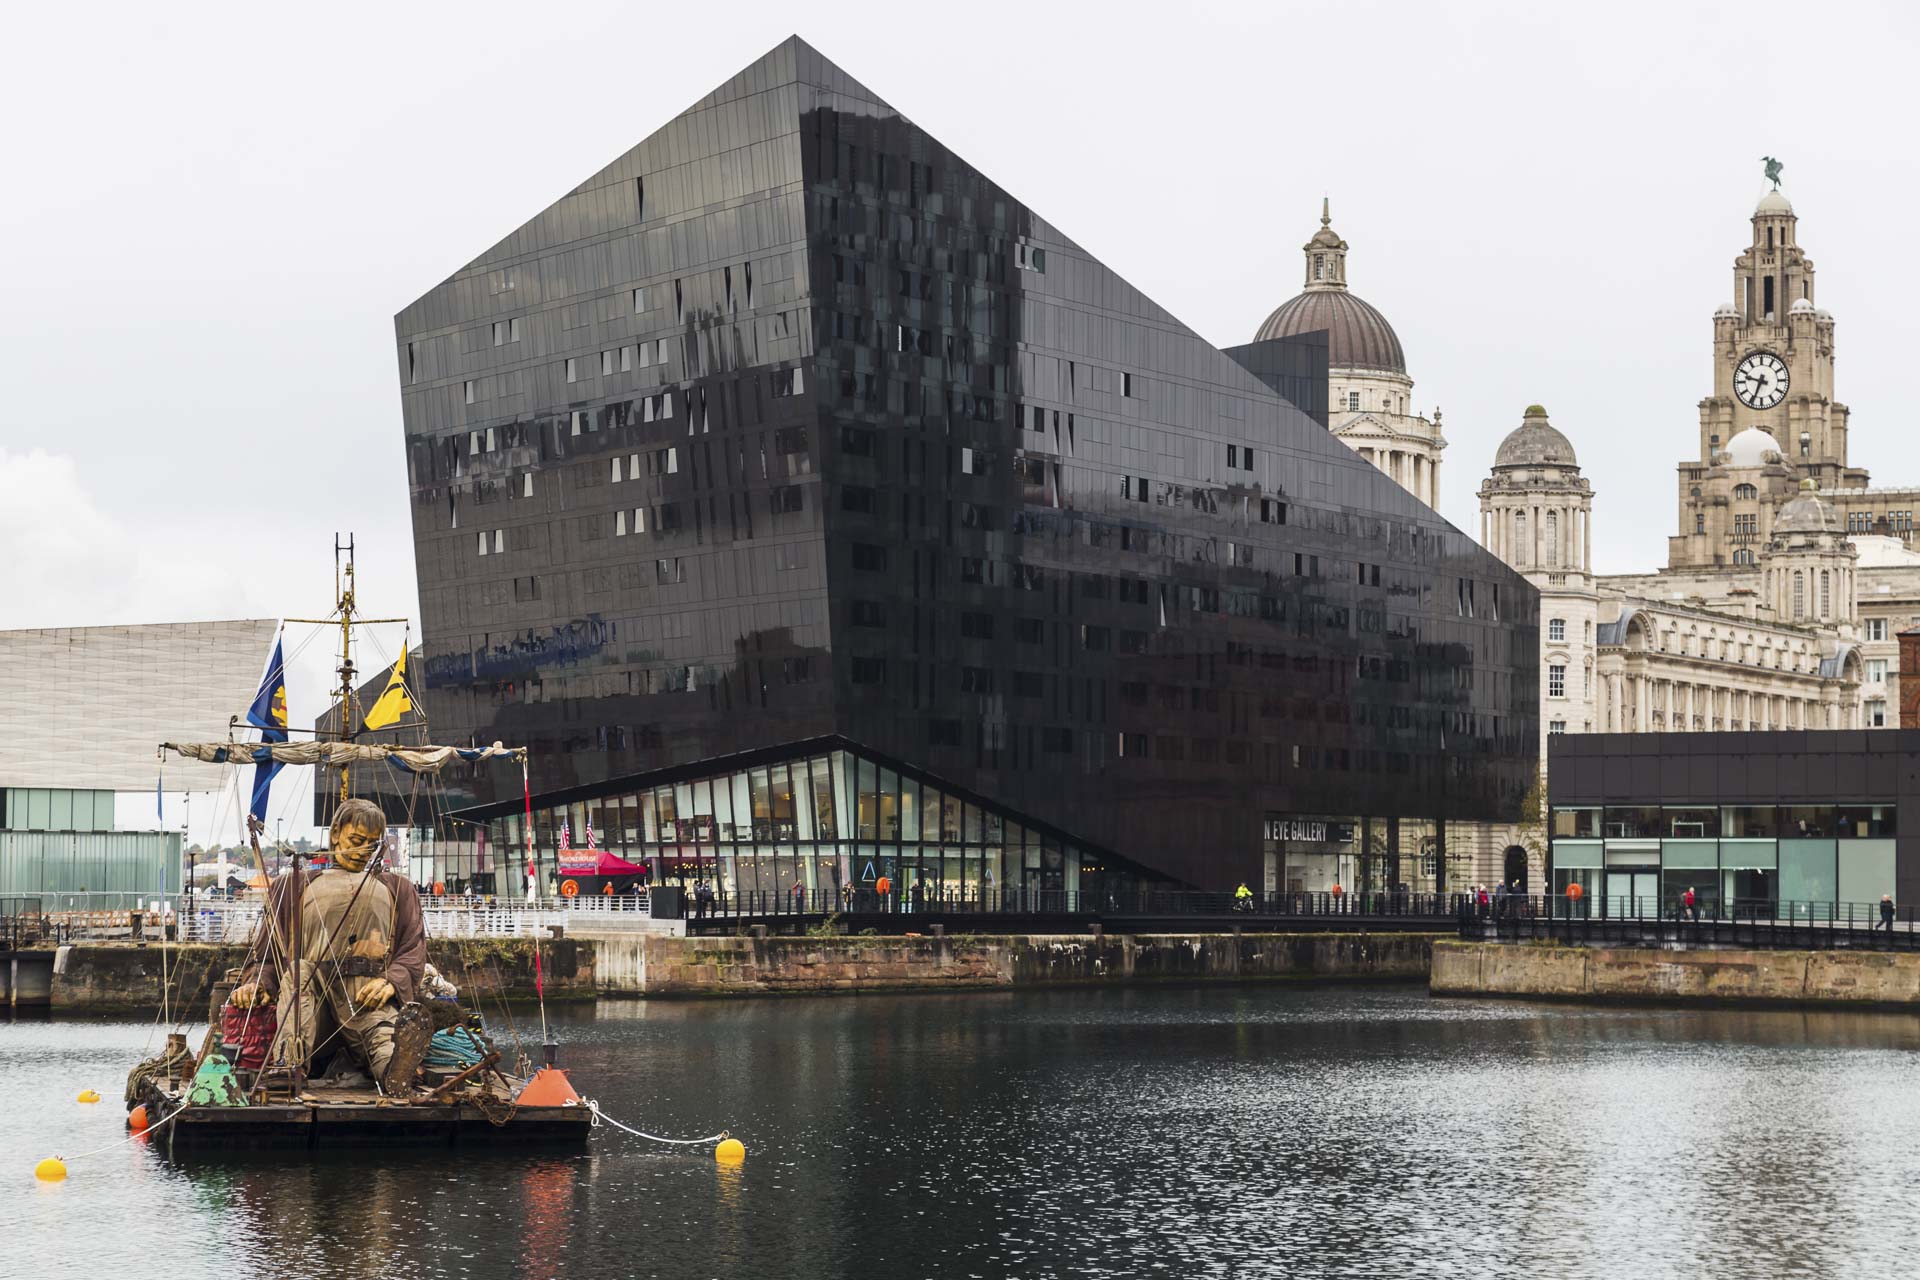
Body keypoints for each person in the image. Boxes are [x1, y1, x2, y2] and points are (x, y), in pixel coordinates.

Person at [228, 800, 432, 1094]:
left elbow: (413, 950)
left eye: (371, 845)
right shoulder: (291, 886)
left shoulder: (398, 888)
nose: (363, 852)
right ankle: (289, 1063)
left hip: (365, 994)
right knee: (299, 975)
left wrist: (392, 981)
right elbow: (269, 954)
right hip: (312, 996)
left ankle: (395, 1071)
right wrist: (258, 984)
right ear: (335, 832)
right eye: (357, 841)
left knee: (382, 1034)